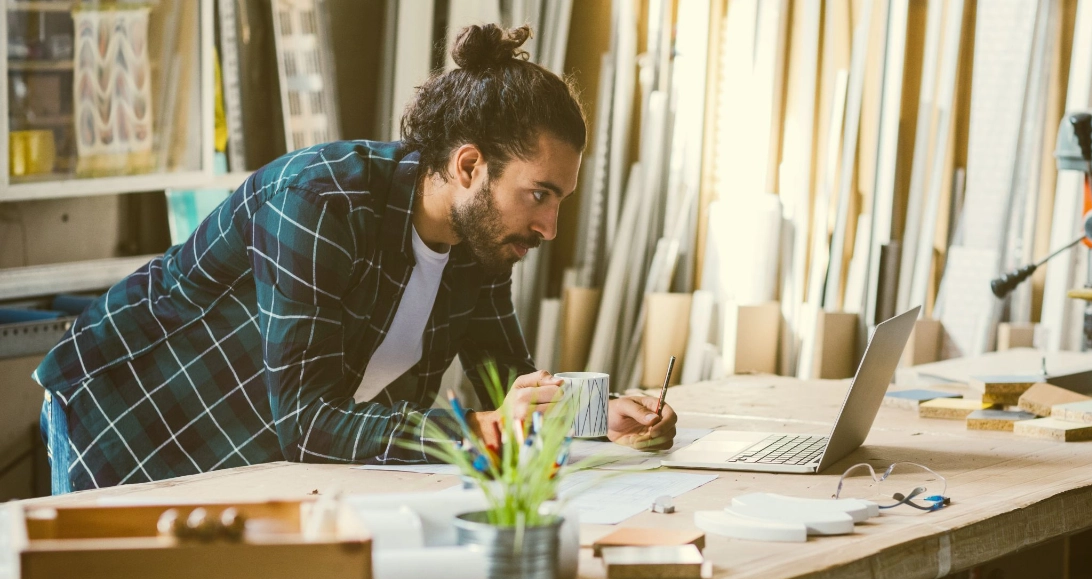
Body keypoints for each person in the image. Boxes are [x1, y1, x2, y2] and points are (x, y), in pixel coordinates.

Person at [34, 24, 677, 494]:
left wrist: (596, 414)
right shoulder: (319, 201)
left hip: (252, 443)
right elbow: (309, 423)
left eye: (560, 201)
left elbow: (506, 386)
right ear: (470, 166)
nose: (549, 226)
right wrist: (485, 428)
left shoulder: (480, 247)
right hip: (124, 415)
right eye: (538, 195)